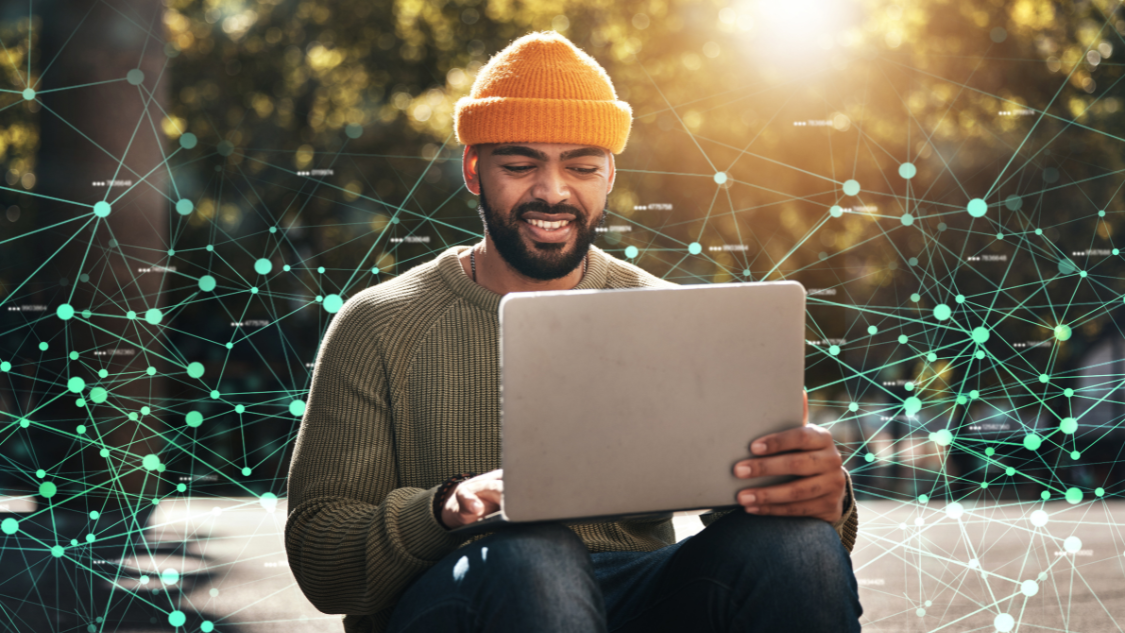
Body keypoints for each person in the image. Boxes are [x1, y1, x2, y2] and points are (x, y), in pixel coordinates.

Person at [285, 31, 862, 633]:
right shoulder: (378, 322)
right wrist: (444, 510)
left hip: (636, 595)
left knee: (795, 546)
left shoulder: (667, 317)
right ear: (474, 170)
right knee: (536, 552)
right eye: (519, 165)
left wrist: (819, 495)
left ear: (609, 175)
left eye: (582, 166)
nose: (554, 192)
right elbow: (322, 559)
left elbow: (778, 530)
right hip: (463, 593)